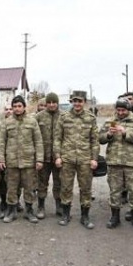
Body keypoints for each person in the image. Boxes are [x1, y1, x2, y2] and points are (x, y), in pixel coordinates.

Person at [99, 98, 133, 230]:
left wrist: (126, 132)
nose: (120, 113)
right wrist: (108, 134)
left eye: (123, 110)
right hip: (114, 162)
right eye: (118, 110)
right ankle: (115, 217)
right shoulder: (110, 121)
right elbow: (100, 139)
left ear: (128, 109)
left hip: (132, 163)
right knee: (115, 191)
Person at [53, 91, 99, 228]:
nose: (77, 104)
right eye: (75, 101)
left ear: (84, 102)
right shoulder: (64, 117)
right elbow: (57, 138)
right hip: (67, 158)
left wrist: (94, 158)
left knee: (85, 188)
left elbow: (94, 140)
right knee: (66, 187)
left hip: (85, 159)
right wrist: (58, 156)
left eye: (80, 101)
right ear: (71, 102)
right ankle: (66, 215)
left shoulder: (90, 118)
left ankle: (85, 216)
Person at [0, 95, 43, 223]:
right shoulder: (7, 122)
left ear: (24, 107)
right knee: (11, 188)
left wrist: (39, 159)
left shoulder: (32, 122)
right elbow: (1, 142)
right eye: (14, 106)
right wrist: (1, 159)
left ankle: (29, 211)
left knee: (29, 187)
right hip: (12, 161)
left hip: (28, 161)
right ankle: (11, 211)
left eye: (19, 106)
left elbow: (38, 141)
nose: (17, 109)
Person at [35, 92, 62, 219]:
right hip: (43, 157)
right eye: (49, 102)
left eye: (54, 102)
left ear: (57, 103)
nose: (51, 105)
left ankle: (59, 206)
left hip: (59, 157)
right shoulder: (39, 117)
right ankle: (41, 207)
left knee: (59, 182)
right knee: (42, 183)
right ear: (46, 103)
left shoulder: (64, 116)